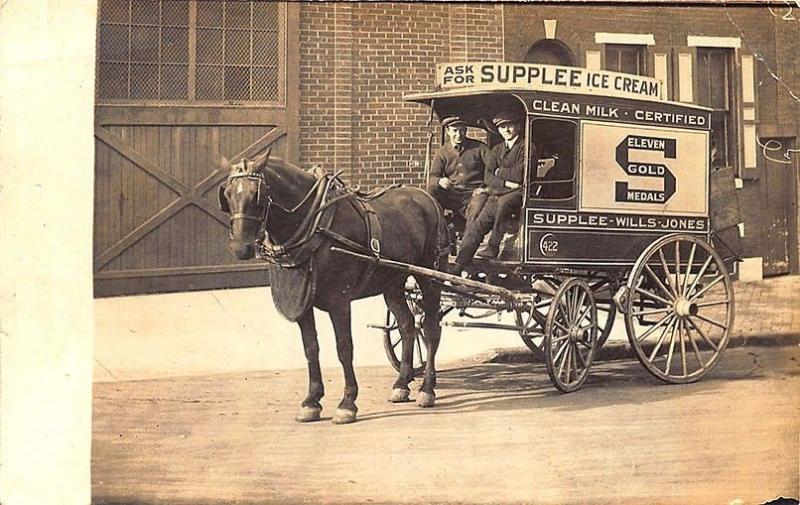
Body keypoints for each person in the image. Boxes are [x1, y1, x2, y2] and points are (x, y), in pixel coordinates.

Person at [451, 113, 529, 274]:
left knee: (504, 203)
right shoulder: (497, 149)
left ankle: (493, 246)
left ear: (518, 127)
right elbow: (488, 177)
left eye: (510, 125)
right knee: (477, 225)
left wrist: (498, 172)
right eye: (502, 127)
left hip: (519, 194)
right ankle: (460, 263)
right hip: (501, 192)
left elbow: (520, 174)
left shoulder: (526, 147)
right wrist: (506, 181)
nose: (506, 129)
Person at [427, 115, 491, 227]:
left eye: (462, 130)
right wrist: (439, 181)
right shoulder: (442, 152)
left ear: (466, 130)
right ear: (447, 131)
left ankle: (469, 237)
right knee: (431, 191)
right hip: (451, 193)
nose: (458, 135)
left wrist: (486, 188)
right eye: (454, 131)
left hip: (473, 193)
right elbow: (432, 177)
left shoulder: (480, 148)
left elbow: (494, 169)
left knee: (479, 203)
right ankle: (438, 230)